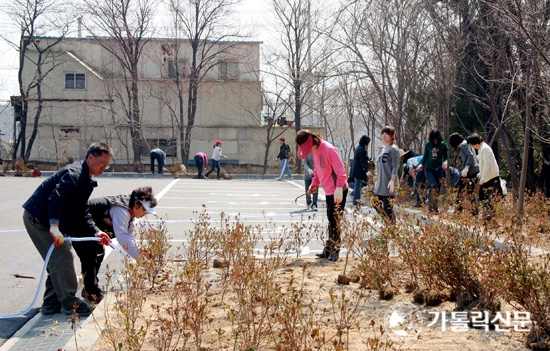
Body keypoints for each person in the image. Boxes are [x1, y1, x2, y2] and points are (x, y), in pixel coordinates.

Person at [22, 142, 113, 316]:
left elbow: (82, 211)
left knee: (57, 260)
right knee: (62, 256)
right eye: (102, 163)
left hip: (51, 221)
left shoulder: (87, 180)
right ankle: (70, 303)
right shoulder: (74, 174)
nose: (104, 167)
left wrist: (96, 232)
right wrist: (54, 227)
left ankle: (51, 302)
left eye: (107, 164)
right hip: (38, 219)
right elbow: (56, 199)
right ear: (90, 157)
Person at [78, 187, 158, 302]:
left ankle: (90, 289)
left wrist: (140, 252)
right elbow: (123, 237)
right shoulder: (121, 210)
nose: (145, 214)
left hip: (92, 230)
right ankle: (90, 291)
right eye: (144, 210)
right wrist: (142, 259)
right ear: (136, 203)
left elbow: (129, 236)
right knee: (91, 255)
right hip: (79, 223)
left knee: (98, 252)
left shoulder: (131, 212)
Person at [296, 130, 348, 262]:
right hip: (329, 191)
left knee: (334, 220)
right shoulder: (315, 151)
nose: (309, 150)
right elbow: (318, 171)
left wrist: (339, 188)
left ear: (313, 141)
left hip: (338, 190)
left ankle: (335, 250)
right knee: (331, 220)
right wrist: (314, 185)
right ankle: (329, 248)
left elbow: (341, 171)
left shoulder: (329, 150)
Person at [467, 133, 502, 218]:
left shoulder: (485, 149)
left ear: (475, 143)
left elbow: (487, 165)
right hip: (488, 176)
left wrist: (483, 178)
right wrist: (480, 173)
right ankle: (489, 214)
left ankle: (489, 215)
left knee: (484, 196)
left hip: (490, 177)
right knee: (484, 196)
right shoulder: (482, 149)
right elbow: (483, 165)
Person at [373, 126, 401, 223]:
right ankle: (388, 223)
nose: (384, 136)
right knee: (375, 203)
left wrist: (392, 181)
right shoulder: (384, 149)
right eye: (383, 134)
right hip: (381, 183)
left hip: (388, 183)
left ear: (392, 136)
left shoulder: (394, 149)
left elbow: (395, 166)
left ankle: (392, 230)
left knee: (388, 208)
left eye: (387, 134)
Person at [418, 130, 448, 213]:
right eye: (433, 139)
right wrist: (421, 164)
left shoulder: (443, 145)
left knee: (438, 188)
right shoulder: (428, 144)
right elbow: (425, 155)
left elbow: (446, 156)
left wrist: (446, 161)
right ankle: (430, 205)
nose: (435, 141)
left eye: (436, 139)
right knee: (433, 185)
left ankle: (435, 207)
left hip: (439, 169)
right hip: (428, 168)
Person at [449, 132, 480, 211]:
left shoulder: (463, 145)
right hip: (475, 170)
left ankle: (459, 209)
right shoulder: (467, 143)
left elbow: (471, 156)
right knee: (470, 191)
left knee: (458, 188)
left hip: (470, 171)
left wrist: (466, 167)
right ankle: (473, 211)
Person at [351, 135, 371, 206]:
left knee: (358, 185)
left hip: (356, 169)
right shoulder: (362, 149)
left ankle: (356, 199)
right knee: (358, 185)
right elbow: (362, 161)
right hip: (358, 170)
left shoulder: (358, 148)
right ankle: (356, 200)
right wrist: (366, 171)